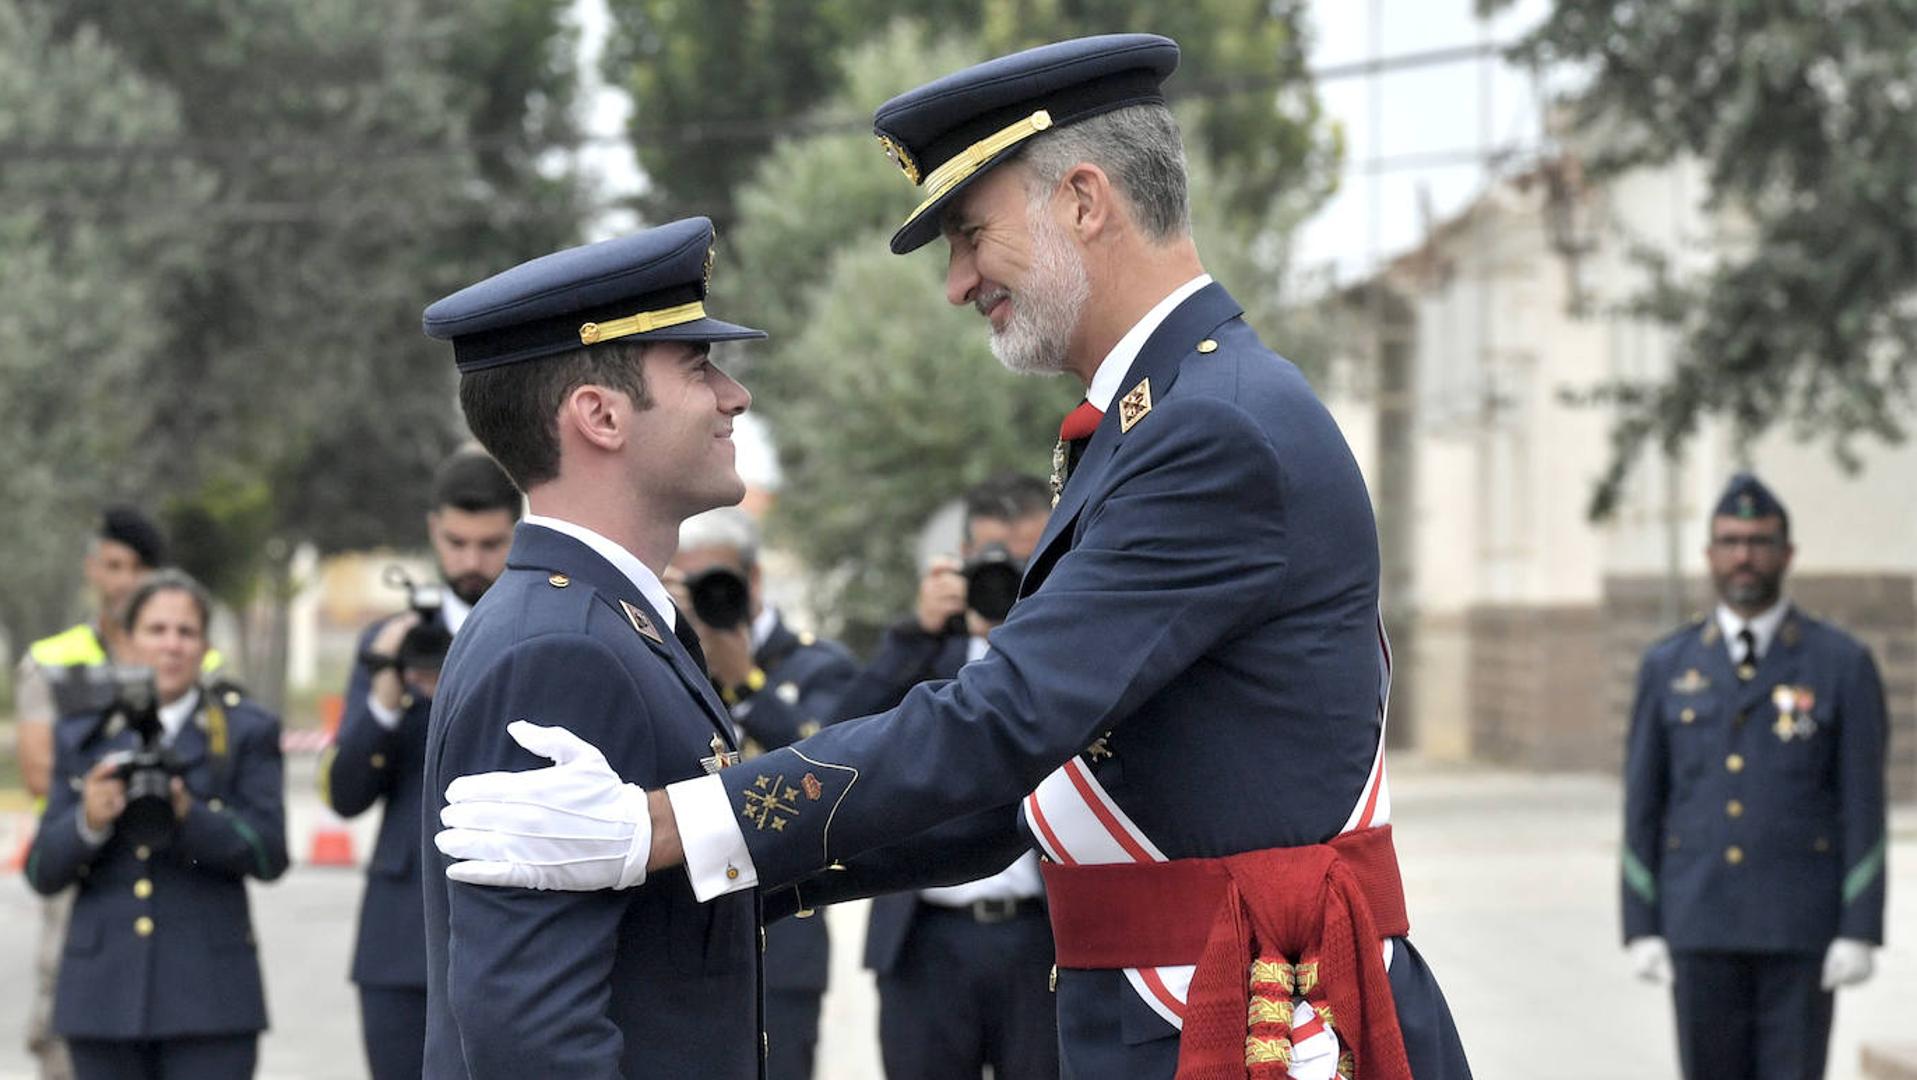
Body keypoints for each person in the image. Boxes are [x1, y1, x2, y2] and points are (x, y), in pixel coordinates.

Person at [436, 34, 1471, 1080]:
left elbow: (1002, 721)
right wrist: (713, 870)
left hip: (1255, 1016)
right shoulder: (1149, 422)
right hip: (1181, 1000)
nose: (957, 282)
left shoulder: (1214, 430)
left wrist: (668, 829)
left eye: (971, 235)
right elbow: (1022, 800)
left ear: (1082, 200)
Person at [416, 216, 769, 1078]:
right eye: (697, 368)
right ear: (600, 415)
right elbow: (530, 1034)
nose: (733, 396)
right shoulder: (561, 650)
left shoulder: (609, 622)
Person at [1621, 473, 1886, 1080]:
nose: (1745, 555)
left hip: (1799, 925)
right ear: (1710, 554)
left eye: (1760, 541)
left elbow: (1863, 802)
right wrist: (1641, 922)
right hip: (1699, 923)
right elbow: (1644, 801)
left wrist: (1859, 928)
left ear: (1787, 554)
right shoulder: (1668, 665)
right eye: (1731, 540)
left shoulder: (1840, 663)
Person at [831, 473, 1058, 1080]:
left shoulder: (1066, 657)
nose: (1004, 580)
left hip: (1046, 939)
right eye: (990, 563)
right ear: (959, 562)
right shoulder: (922, 655)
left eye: (1024, 562)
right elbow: (838, 744)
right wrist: (918, 631)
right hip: (923, 940)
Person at [24, 570, 288, 1080]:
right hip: (101, 1000)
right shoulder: (84, 733)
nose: (171, 646)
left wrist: (190, 813)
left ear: (205, 645)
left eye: (186, 633)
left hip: (210, 1001)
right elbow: (41, 870)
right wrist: (89, 820)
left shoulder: (243, 730)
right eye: (156, 630)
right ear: (127, 641)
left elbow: (269, 854)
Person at [318, 449, 519, 1080]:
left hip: (513, 926)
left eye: (490, 544)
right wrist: (387, 688)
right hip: (401, 938)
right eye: (456, 542)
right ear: (434, 530)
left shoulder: (536, 627)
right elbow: (345, 795)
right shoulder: (389, 641)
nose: (470, 562)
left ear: (518, 529)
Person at [670, 506, 857, 1080]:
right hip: (677, 936)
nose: (705, 598)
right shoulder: (662, 664)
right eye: (688, 584)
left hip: (782, 940)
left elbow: (828, 772)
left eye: (716, 582)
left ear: (752, 580)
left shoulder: (818, 664)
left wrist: (747, 682)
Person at [13, 506, 169, 1080]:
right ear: (91, 570)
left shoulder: (183, 654)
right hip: (78, 860)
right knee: (63, 1014)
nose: (124, 580)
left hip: (167, 854)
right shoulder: (53, 661)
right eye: (112, 565)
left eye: (137, 568)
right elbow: (38, 772)